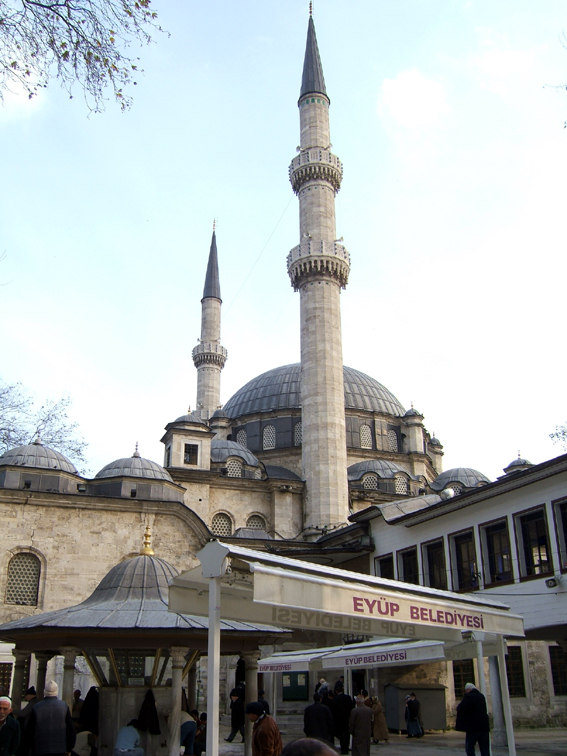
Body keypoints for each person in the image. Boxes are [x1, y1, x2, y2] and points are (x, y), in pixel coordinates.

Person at [23, 681, 76, 756]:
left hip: (40, 749)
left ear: (45, 692)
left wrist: (27, 749)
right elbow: (70, 729)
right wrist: (69, 748)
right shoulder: (63, 706)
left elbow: (30, 730)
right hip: (59, 749)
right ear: (56, 691)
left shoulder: (37, 707)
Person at [455, 683, 490, 756]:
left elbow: (460, 708)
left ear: (468, 690)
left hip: (473, 727)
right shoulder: (481, 696)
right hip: (484, 726)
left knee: (469, 747)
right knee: (484, 748)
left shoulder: (468, 697)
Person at [329, 684, 353, 755]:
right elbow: (351, 707)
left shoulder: (334, 700)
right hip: (347, 719)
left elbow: (333, 711)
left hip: (338, 720)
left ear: (336, 691)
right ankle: (346, 747)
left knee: (341, 735)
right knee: (346, 734)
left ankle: (343, 748)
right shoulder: (348, 698)